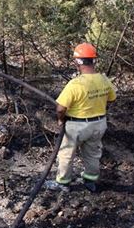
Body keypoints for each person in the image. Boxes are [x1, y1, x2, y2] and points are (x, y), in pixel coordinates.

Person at [46, 42, 116, 193]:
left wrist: (60, 119)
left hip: (77, 126)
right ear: (93, 60)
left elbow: (60, 108)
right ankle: (90, 181)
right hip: (99, 124)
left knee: (66, 154)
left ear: (78, 62)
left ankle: (63, 183)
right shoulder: (104, 80)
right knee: (93, 154)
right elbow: (111, 99)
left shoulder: (75, 84)